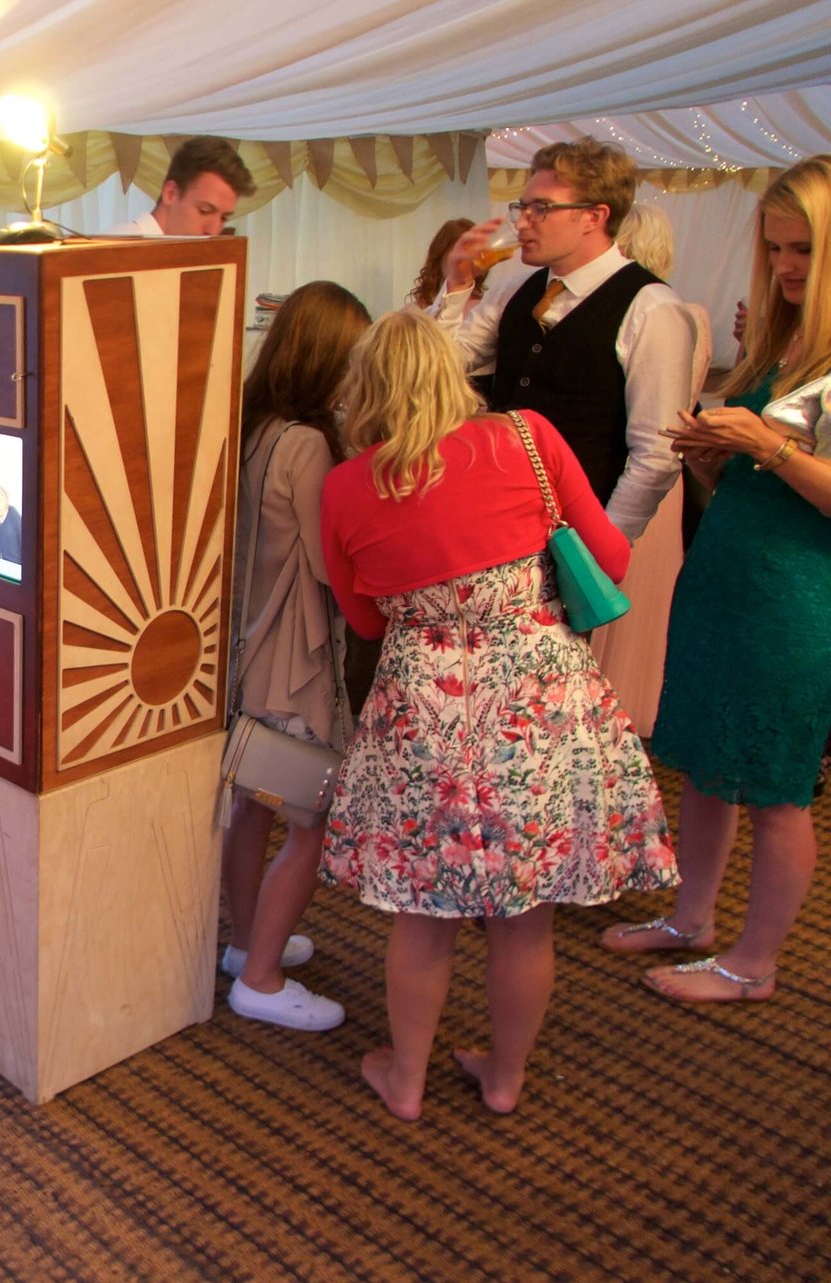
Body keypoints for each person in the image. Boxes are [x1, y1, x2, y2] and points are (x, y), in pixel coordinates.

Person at [319, 310, 676, 1120]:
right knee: (525, 918)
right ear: (452, 373)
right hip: (539, 701)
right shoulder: (526, 437)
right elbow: (611, 559)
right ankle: (505, 1077)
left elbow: (365, 622)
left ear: (363, 390)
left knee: (424, 912)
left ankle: (406, 1079)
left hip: (424, 708)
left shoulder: (345, 486)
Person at [605, 154, 831, 1003]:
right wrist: (712, 457)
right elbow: (760, 482)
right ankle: (691, 916)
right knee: (703, 759)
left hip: (794, 600)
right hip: (726, 577)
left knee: (775, 786)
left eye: (803, 249)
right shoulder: (782, 342)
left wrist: (765, 446)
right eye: (775, 248)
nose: (785, 266)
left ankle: (754, 963)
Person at [221, 281, 370, 1032]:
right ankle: (261, 975)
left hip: (247, 644)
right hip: (292, 657)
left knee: (252, 803)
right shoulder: (308, 445)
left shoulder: (252, 423)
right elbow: (329, 561)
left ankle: (248, 940)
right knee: (313, 816)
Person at [435, 138, 698, 542]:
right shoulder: (515, 290)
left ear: (594, 216)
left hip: (576, 532)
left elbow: (656, 454)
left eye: (541, 208)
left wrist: (602, 543)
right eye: (522, 208)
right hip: (495, 517)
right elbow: (440, 366)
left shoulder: (652, 308)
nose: (522, 223)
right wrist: (456, 286)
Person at [584, 204, 712, 733]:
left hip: (644, 471)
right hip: (662, 471)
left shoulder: (667, 312)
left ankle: (609, 706)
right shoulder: (688, 311)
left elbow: (664, 424)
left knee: (625, 590)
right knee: (639, 600)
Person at [106, 136, 256, 236]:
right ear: (171, 193)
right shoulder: (111, 251)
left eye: (223, 218)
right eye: (204, 211)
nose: (213, 231)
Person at [407, 219, 485, 313]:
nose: (463, 261)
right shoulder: (412, 312)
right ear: (440, 255)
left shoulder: (483, 309)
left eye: (471, 254)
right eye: (458, 253)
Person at [0, 484, 23, 564]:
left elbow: (24, 540)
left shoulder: (13, 514)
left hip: (14, 564)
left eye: (1, 494)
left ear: (6, 498)